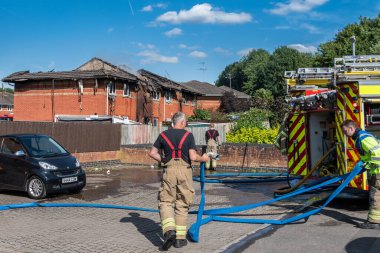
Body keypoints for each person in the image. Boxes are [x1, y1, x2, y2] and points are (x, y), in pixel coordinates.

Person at [149, 112, 210, 250]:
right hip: (185, 171)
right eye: (186, 121)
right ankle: (179, 240)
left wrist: (164, 160)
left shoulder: (163, 135)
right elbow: (193, 156)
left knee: (165, 201)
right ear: (182, 122)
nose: (186, 123)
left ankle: (169, 231)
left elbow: (152, 153)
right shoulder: (188, 135)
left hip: (169, 170)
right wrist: (204, 158)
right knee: (182, 203)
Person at [341, 119, 380, 229]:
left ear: (351, 128)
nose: (345, 134)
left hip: (378, 172)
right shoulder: (360, 137)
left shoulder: (363, 138)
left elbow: (377, 153)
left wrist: (368, 164)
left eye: (345, 131)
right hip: (376, 171)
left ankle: (374, 222)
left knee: (375, 196)